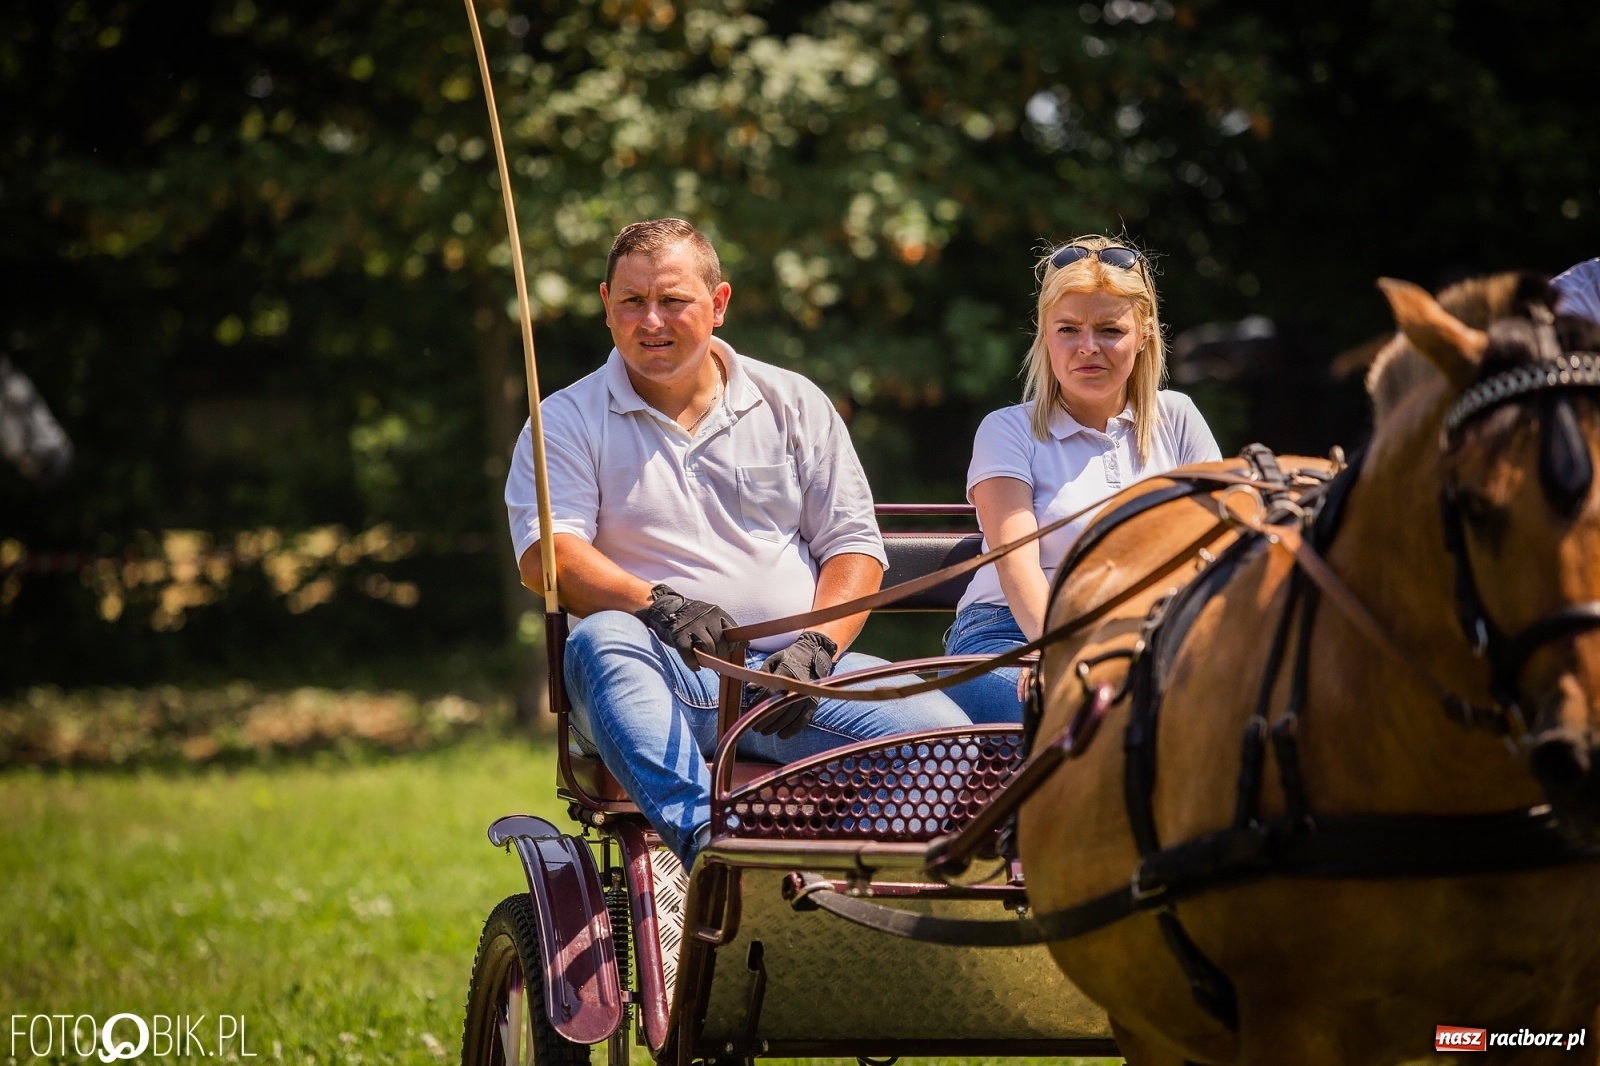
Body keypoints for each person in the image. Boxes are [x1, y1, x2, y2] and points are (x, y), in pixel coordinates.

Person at [505, 218, 970, 867]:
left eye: (673, 301)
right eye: (633, 302)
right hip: (650, 673)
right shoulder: (566, 419)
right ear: (607, 305)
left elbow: (856, 548)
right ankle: (715, 858)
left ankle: (828, 895)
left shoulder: (792, 402)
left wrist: (818, 647)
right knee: (599, 639)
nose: (652, 321)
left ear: (718, 304)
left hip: (786, 683)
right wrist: (658, 606)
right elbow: (547, 557)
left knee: (945, 740)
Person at [942, 236, 1221, 723]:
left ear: (1146, 332)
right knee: (1101, 712)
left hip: (1145, 636)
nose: (1088, 348)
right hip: (1013, 637)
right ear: (1045, 335)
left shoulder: (1177, 419)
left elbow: (1221, 544)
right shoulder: (1008, 431)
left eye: (1110, 329)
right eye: (1068, 329)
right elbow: (1017, 566)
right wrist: (1062, 651)